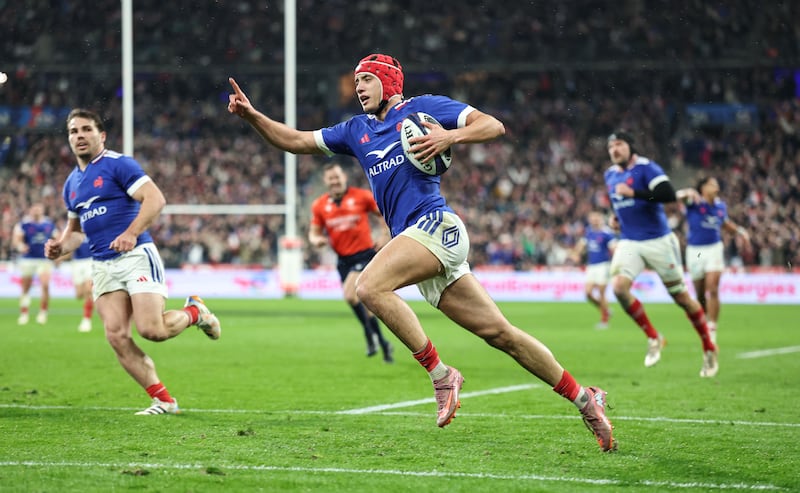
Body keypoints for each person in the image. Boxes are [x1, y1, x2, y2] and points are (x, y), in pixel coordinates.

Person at [228, 54, 616, 451]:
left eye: (365, 79)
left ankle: (441, 374)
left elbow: (492, 125)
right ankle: (586, 399)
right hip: (418, 241)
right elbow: (295, 141)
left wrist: (450, 136)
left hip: (436, 225)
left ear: (388, 82)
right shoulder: (355, 130)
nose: (358, 87)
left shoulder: (424, 107)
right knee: (501, 334)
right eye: (355, 81)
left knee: (368, 288)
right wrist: (254, 116)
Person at [45, 108, 222, 415]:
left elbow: (155, 199)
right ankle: (164, 401)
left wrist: (131, 232)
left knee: (152, 330)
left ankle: (195, 312)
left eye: (86, 129)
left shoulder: (118, 164)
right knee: (115, 335)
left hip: (136, 256)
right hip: (102, 264)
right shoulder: (71, 183)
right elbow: (75, 232)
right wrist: (60, 247)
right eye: (73, 131)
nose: (79, 136)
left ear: (101, 136)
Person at [604, 130, 718, 377]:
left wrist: (634, 193)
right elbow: (618, 204)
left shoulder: (647, 168)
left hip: (659, 241)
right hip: (630, 241)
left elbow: (667, 195)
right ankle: (654, 337)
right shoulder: (610, 175)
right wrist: (614, 218)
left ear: (630, 146)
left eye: (619, 144)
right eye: (611, 146)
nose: (614, 150)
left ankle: (709, 347)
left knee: (682, 299)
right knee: (619, 288)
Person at [309, 163, 394, 363]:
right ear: (325, 181)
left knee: (350, 295)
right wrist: (316, 240)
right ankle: (383, 344)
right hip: (343, 260)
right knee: (367, 307)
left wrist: (384, 234)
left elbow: (383, 213)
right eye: (331, 178)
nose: (335, 181)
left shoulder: (361, 196)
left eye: (337, 177)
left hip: (365, 255)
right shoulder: (320, 205)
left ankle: (368, 335)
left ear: (344, 177)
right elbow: (313, 232)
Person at [676, 176, 750, 345]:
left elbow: (724, 224)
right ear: (703, 188)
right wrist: (686, 192)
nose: (716, 187)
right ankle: (702, 319)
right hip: (695, 251)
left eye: (716, 184)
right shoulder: (693, 202)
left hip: (714, 249)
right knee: (700, 295)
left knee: (713, 288)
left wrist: (740, 232)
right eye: (711, 184)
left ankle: (712, 327)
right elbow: (677, 197)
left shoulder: (720, 206)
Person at [12, 203, 59, 325]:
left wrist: (57, 253)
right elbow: (16, 239)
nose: (36, 211)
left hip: (44, 259)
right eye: (34, 209)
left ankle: (43, 313)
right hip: (28, 259)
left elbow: (57, 238)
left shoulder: (49, 224)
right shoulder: (24, 224)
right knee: (25, 287)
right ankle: (24, 313)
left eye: (39, 209)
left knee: (45, 285)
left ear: (43, 210)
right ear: (30, 211)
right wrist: (20, 246)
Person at [569, 211, 616, 329]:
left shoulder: (607, 233)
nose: (594, 220)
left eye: (596, 218)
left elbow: (614, 249)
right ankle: (605, 309)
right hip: (591, 266)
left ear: (600, 219)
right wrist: (576, 254)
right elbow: (581, 245)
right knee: (588, 293)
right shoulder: (589, 232)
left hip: (603, 266)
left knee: (601, 292)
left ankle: (604, 320)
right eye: (592, 218)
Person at [68, 235, 95, 332]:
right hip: (77, 263)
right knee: (79, 295)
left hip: (90, 261)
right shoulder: (74, 231)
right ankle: (90, 302)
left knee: (89, 290)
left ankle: (86, 320)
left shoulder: (90, 227)